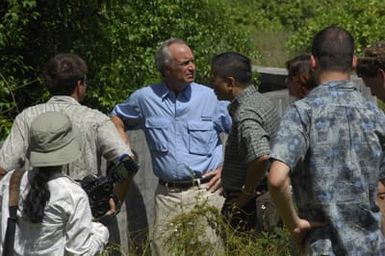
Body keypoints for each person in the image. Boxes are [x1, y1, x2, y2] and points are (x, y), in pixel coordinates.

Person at [268, 25, 385, 255]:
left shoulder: (302, 113)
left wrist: (294, 224)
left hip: (321, 246)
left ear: (313, 62)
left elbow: (276, 179)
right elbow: (382, 192)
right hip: (371, 247)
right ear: (353, 62)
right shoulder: (377, 116)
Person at [111, 38, 231, 255]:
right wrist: (124, 149)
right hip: (167, 196)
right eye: (184, 63)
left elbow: (242, 132)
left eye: (192, 61)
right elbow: (117, 117)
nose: (192, 67)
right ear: (166, 69)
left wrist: (228, 170)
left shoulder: (211, 97)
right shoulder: (145, 98)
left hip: (206, 193)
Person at [0, 53, 136, 201]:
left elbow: (3, 167)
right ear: (79, 84)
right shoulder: (96, 120)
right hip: (85, 208)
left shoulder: (26, 117)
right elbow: (128, 163)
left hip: (38, 209)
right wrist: (116, 199)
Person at [0, 111, 110, 255]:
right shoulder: (73, 195)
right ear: (68, 147)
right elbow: (80, 253)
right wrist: (100, 232)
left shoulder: (11, 181)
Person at [210, 52, 280, 233]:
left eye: (214, 78)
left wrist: (245, 195)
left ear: (230, 83)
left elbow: (261, 157)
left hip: (251, 207)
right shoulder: (261, 101)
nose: (212, 85)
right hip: (266, 198)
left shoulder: (246, 114)